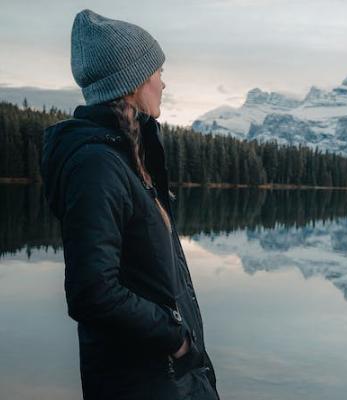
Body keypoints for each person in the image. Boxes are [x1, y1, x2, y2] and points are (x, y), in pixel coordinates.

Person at [40, 9, 219, 400]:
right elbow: (92, 291)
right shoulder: (97, 165)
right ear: (134, 81)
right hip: (144, 381)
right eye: (157, 71)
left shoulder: (128, 156)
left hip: (169, 377)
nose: (164, 82)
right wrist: (175, 339)